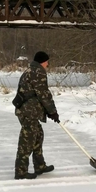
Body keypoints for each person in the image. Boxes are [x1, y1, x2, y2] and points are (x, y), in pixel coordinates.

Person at [12, 51, 59, 180]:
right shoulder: (38, 72)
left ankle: (40, 165)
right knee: (27, 141)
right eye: (47, 61)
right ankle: (21, 171)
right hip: (28, 112)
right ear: (43, 61)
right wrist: (52, 111)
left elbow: (35, 93)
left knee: (38, 135)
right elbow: (43, 94)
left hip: (29, 110)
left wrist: (48, 111)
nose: (48, 64)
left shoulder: (30, 71)